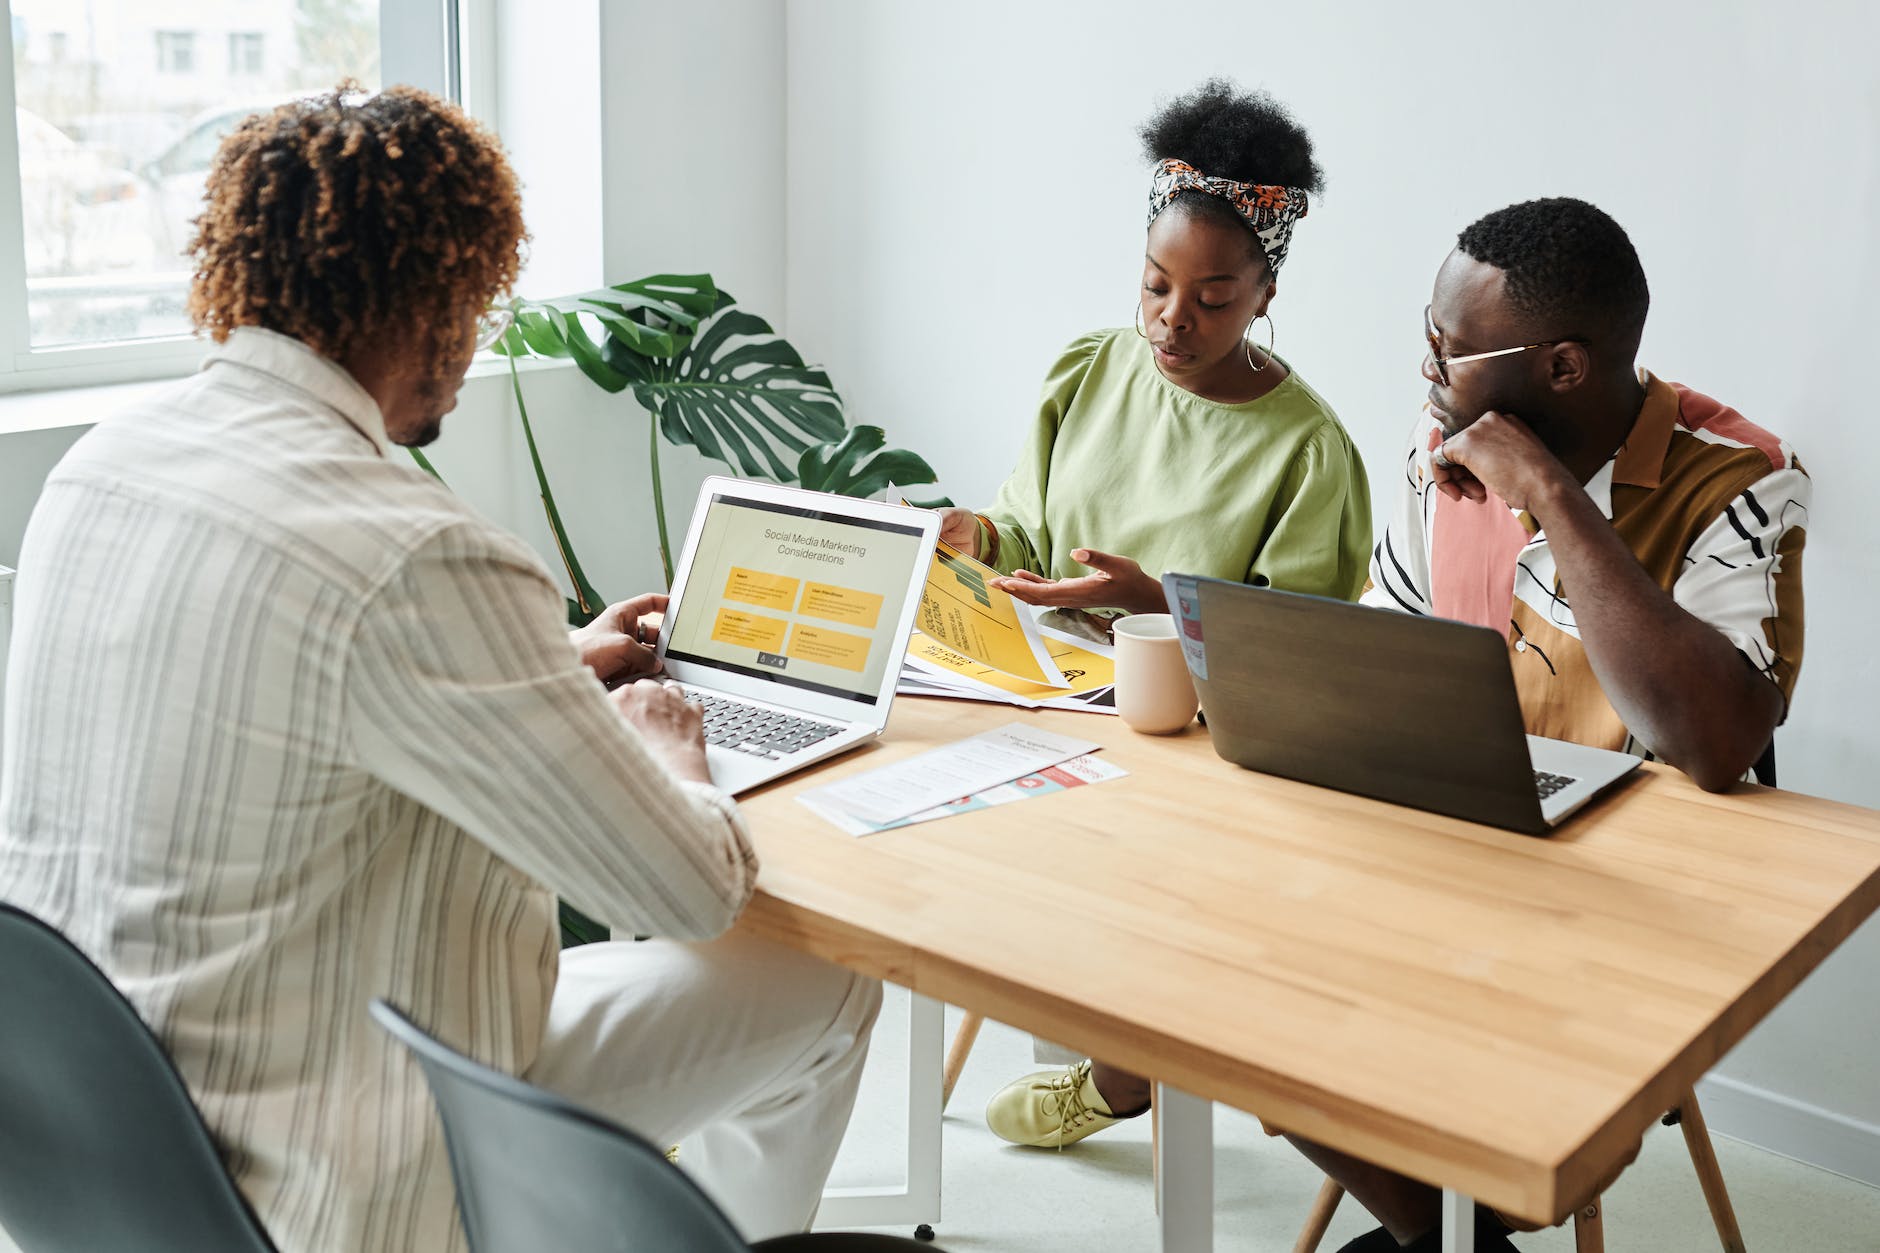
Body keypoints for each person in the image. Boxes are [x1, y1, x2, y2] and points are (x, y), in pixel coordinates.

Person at [0, 87, 879, 1253]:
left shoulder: (104, 466)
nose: (479, 339)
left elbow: (281, 685)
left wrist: (542, 666)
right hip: (337, 1166)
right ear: (429, 299)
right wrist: (666, 750)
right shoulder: (414, 551)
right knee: (820, 987)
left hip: (114, 1142)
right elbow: (684, 894)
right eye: (478, 298)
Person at [1303, 196, 1809, 1252]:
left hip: (1640, 902)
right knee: (1241, 1011)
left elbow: (1711, 742)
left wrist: (1544, 492)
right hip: (1461, 848)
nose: (1427, 375)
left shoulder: (1740, 477)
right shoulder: (1441, 446)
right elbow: (1388, 652)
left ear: (1564, 366)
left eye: (1450, 353)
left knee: (1500, 1136)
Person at [937, 80, 1373, 1149]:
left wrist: (1156, 603)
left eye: (1213, 296)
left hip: (1190, 747)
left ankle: (1126, 1063)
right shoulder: (1089, 370)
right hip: (1048, 697)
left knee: (1129, 875)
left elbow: (1298, 663)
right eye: (1153, 285)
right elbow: (1027, 532)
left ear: (1265, 292)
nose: (1172, 319)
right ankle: (1122, 1048)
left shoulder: (1306, 450)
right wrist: (978, 541)